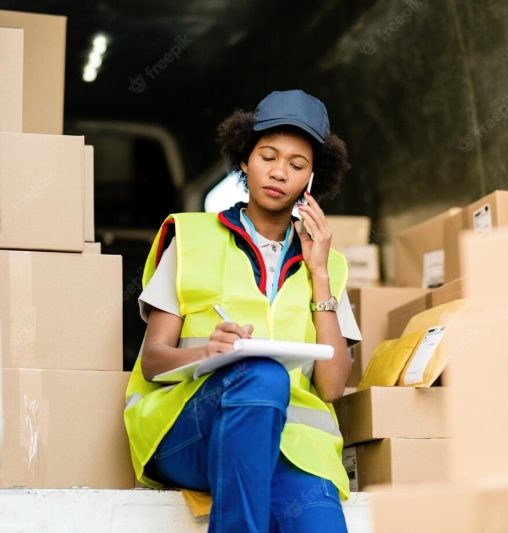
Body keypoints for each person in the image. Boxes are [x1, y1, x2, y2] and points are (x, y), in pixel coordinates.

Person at [123, 89, 361, 533]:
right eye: (268, 156)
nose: (278, 173)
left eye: (297, 165)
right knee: (262, 375)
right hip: (190, 434)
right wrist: (208, 356)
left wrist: (320, 274)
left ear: (312, 180)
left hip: (292, 448)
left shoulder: (329, 266)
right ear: (244, 160)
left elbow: (330, 387)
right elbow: (154, 361)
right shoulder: (191, 238)